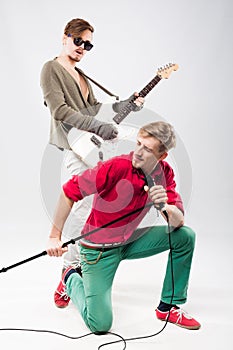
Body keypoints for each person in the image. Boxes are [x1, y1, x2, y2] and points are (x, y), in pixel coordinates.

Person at [46, 121, 201, 333]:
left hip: (128, 241)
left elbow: (178, 221)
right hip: (98, 251)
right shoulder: (116, 166)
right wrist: (54, 236)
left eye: (147, 149)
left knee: (185, 236)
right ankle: (70, 276)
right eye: (138, 143)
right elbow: (68, 192)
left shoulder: (164, 173)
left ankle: (167, 307)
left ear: (161, 156)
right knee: (100, 324)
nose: (138, 152)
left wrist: (165, 206)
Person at [40, 17, 144, 307]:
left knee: (97, 203)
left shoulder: (81, 75)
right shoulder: (51, 69)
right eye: (78, 41)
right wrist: (98, 127)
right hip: (73, 145)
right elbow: (60, 110)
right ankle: (67, 272)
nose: (82, 48)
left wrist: (125, 105)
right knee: (84, 203)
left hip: (89, 148)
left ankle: (78, 267)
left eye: (88, 44)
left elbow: (95, 108)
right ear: (64, 37)